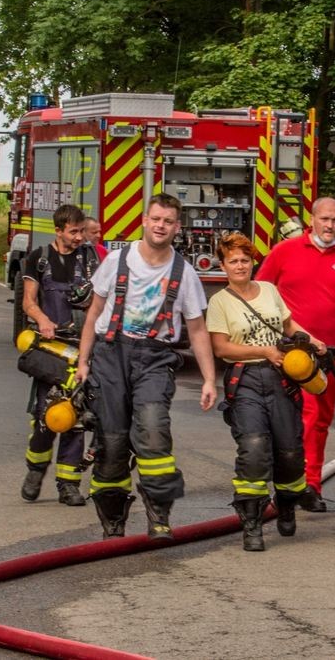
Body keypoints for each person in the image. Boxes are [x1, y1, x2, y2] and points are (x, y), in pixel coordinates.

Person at [75, 193, 215, 539]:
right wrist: (82, 362)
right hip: (111, 355)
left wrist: (210, 379)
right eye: (156, 219)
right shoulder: (118, 261)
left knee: (153, 432)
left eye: (167, 221)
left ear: (176, 227)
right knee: (111, 440)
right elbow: (94, 313)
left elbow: (197, 329)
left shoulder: (185, 273)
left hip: (155, 358)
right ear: (144, 220)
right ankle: (112, 519)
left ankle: (159, 516)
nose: (160, 226)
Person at [256, 196, 335, 512]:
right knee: (281, 417)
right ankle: (280, 482)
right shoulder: (285, 252)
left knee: (317, 420)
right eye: (324, 219)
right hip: (286, 351)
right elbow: (259, 292)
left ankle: (310, 486)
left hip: (329, 355)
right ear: (311, 219)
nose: (329, 225)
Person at [206, 232, 324, 551]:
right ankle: (252, 523)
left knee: (289, 450)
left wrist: (312, 341)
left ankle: (286, 504)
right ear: (223, 265)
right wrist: (265, 351)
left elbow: (289, 326)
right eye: (233, 261)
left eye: (245, 260)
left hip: (280, 378)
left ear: (253, 261)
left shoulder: (270, 291)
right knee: (254, 447)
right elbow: (221, 347)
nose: (240, 266)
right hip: (245, 380)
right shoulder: (219, 302)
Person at [19, 204, 100, 506]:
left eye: (82, 231)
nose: (80, 237)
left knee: (76, 418)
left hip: (82, 349)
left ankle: (68, 484)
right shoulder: (38, 259)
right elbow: (28, 302)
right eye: (74, 232)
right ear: (58, 230)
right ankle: (35, 469)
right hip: (51, 352)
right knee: (46, 418)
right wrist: (42, 320)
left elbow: (99, 299)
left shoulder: (89, 258)